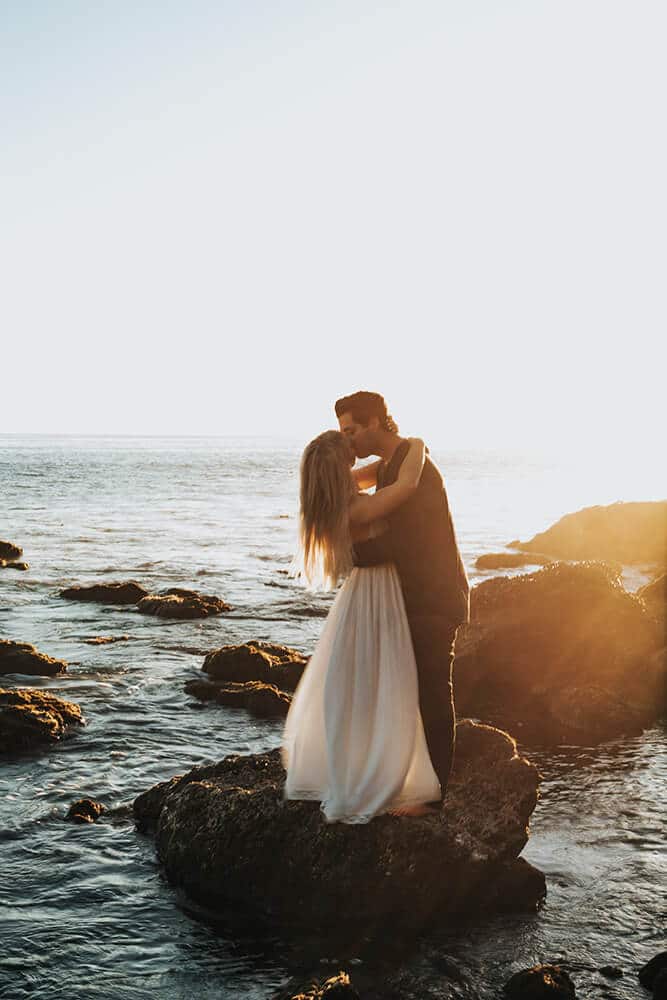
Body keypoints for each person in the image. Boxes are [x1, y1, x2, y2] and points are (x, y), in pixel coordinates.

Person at [281, 429, 442, 824]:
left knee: (358, 683)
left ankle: (367, 761)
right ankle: (375, 774)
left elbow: (376, 471)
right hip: (377, 595)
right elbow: (405, 484)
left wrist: (385, 455)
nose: (355, 453)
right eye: (348, 451)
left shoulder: (335, 501)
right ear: (339, 468)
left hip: (363, 595)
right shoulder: (357, 511)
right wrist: (416, 444)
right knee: (385, 683)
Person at [336, 391, 469, 814]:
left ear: (374, 422)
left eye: (350, 431)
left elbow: (404, 542)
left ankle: (434, 798)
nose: (348, 441)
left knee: (431, 691)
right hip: (411, 597)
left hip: (434, 596)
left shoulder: (417, 468)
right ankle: (403, 782)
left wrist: (347, 555)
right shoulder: (395, 464)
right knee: (403, 692)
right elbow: (343, 486)